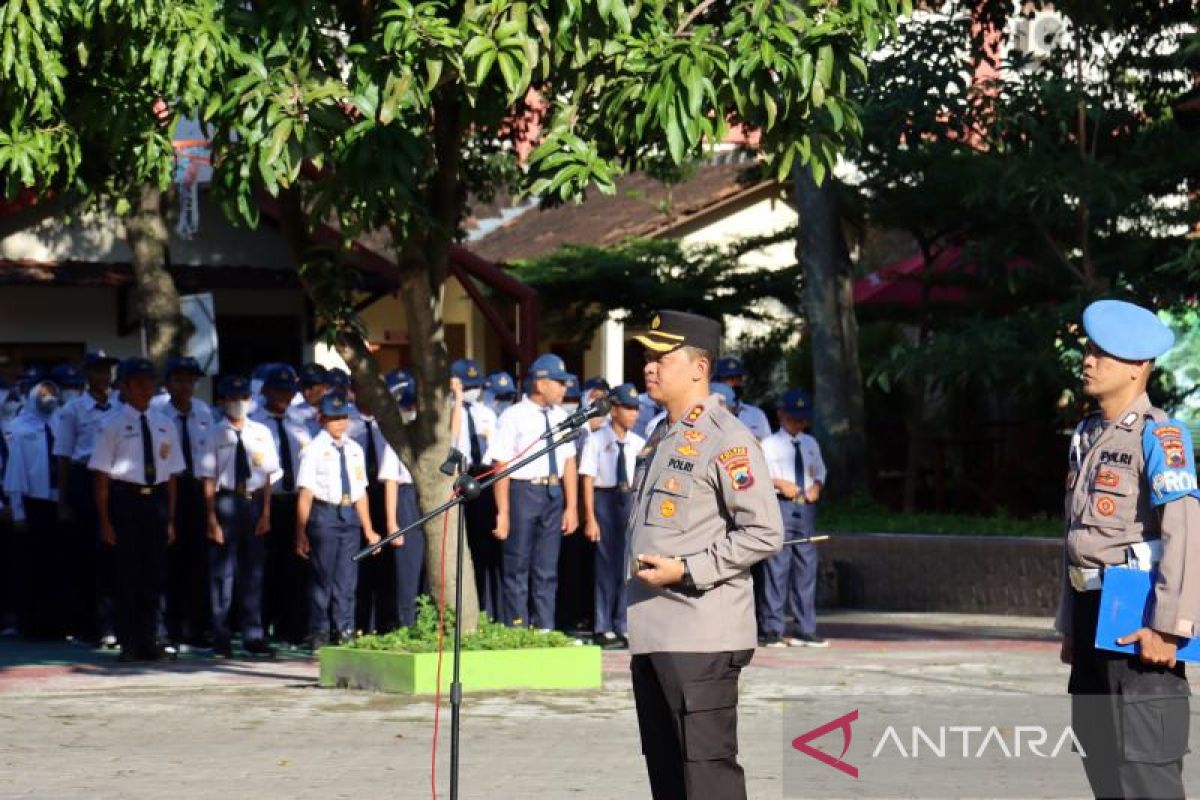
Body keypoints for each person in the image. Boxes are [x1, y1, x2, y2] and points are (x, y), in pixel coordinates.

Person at [626, 310, 783, 800]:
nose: (649, 367)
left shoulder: (727, 439)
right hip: (654, 633)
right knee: (669, 779)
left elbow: (763, 532)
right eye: (646, 357)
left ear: (699, 367)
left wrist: (689, 569)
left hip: (701, 636)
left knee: (707, 777)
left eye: (661, 357)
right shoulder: (659, 435)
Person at [1057, 299, 1200, 799]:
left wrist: (1170, 626)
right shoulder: (1087, 434)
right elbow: (1077, 538)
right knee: (1102, 763)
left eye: (1104, 353)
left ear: (1139, 367)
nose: (1088, 360)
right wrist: (1071, 624)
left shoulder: (1162, 436)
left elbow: (1185, 532)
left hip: (1138, 616)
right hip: (1092, 612)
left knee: (1147, 771)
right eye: (1089, 349)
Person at [89, 357, 186, 662]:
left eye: (150, 383)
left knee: (154, 574)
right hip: (126, 500)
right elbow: (102, 477)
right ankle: (129, 641)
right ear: (126, 387)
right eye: (140, 383)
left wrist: (170, 518)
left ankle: (151, 638)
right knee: (127, 574)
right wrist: (105, 520)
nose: (147, 389)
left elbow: (171, 476)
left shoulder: (164, 423)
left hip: (155, 500)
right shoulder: (111, 424)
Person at [485, 353, 579, 630]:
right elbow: (500, 464)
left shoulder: (562, 417)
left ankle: (544, 627)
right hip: (523, 492)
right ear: (540, 384)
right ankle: (516, 626)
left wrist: (571, 506)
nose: (564, 388)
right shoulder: (513, 416)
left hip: (553, 492)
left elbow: (569, 461)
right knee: (517, 565)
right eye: (558, 382)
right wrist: (503, 512)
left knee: (547, 568)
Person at [199, 375, 280, 658]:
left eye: (243, 398)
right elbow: (208, 479)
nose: (238, 404)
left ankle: (253, 634)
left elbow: (268, 475)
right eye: (232, 399)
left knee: (253, 572)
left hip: (254, 502)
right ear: (222, 401)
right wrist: (211, 518)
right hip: (226, 502)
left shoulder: (262, 432)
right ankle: (221, 634)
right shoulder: (214, 433)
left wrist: (267, 512)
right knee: (223, 574)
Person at [294, 392, 382, 648]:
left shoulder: (354, 449)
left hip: (349, 516)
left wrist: (369, 528)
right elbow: (306, 493)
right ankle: (319, 630)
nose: (340, 423)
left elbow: (360, 492)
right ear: (322, 419)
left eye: (343, 417)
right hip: (325, 515)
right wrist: (300, 530)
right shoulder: (313, 450)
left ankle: (345, 628)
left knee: (347, 579)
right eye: (334, 418)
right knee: (323, 578)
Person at [52, 351, 120, 645]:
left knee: (114, 554)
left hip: (116, 479)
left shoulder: (122, 405)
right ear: (88, 375)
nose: (104, 376)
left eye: (108, 370)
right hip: (84, 478)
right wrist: (64, 500)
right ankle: (86, 626)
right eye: (98, 371)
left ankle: (113, 622)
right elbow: (64, 458)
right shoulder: (73, 409)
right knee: (85, 557)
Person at [757, 388, 828, 648]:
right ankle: (772, 627)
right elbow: (758, 476)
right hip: (780, 504)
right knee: (777, 566)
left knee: (806, 566)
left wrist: (816, 487)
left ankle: (805, 627)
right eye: (793, 417)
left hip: (805, 507)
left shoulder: (810, 443)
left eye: (802, 418)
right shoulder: (769, 444)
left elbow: (820, 471)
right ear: (780, 415)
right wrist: (779, 483)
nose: (798, 423)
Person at [251, 363, 314, 646]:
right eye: (278, 390)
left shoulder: (299, 422)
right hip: (266, 501)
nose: (284, 396)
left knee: (295, 567)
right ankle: (262, 625)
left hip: (295, 500)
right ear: (264, 390)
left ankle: (293, 627)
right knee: (264, 567)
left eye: (288, 391)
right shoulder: (255, 422)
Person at [579, 382, 644, 649]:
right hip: (604, 499)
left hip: (628, 500)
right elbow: (587, 479)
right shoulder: (596, 440)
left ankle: (623, 623)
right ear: (613, 409)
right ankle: (602, 625)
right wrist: (590, 517)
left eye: (636, 409)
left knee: (628, 566)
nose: (633, 414)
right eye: (627, 408)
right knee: (605, 567)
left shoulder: (638, 443)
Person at [4, 378, 66, 639]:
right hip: (33, 505)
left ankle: (56, 624)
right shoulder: (18, 428)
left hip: (58, 503)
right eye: (43, 392)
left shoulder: (60, 423)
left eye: (52, 392)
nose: (48, 397)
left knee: (57, 568)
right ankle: (30, 624)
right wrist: (18, 511)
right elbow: (15, 472)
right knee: (31, 569)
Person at [451, 359, 502, 622]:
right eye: (465, 385)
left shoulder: (486, 413)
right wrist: (457, 400)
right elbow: (452, 436)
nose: (472, 390)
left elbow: (494, 449)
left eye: (474, 386)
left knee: (483, 548)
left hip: (483, 477)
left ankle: (484, 606)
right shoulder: (450, 410)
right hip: (459, 477)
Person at [384, 369, 424, 627]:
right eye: (406, 405)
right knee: (408, 570)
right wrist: (392, 523)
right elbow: (391, 480)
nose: (410, 410)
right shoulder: (396, 439)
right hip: (406, 498)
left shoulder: (433, 437)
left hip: (430, 497)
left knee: (431, 570)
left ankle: (427, 622)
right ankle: (406, 624)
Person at [712, 355, 771, 440]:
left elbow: (767, 447)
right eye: (730, 378)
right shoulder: (708, 415)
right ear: (717, 382)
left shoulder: (757, 415)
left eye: (738, 378)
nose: (735, 383)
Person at [291, 363, 328, 427]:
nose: (306, 392)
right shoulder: (293, 414)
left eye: (311, 387)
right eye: (303, 386)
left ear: (325, 386)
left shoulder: (342, 411)